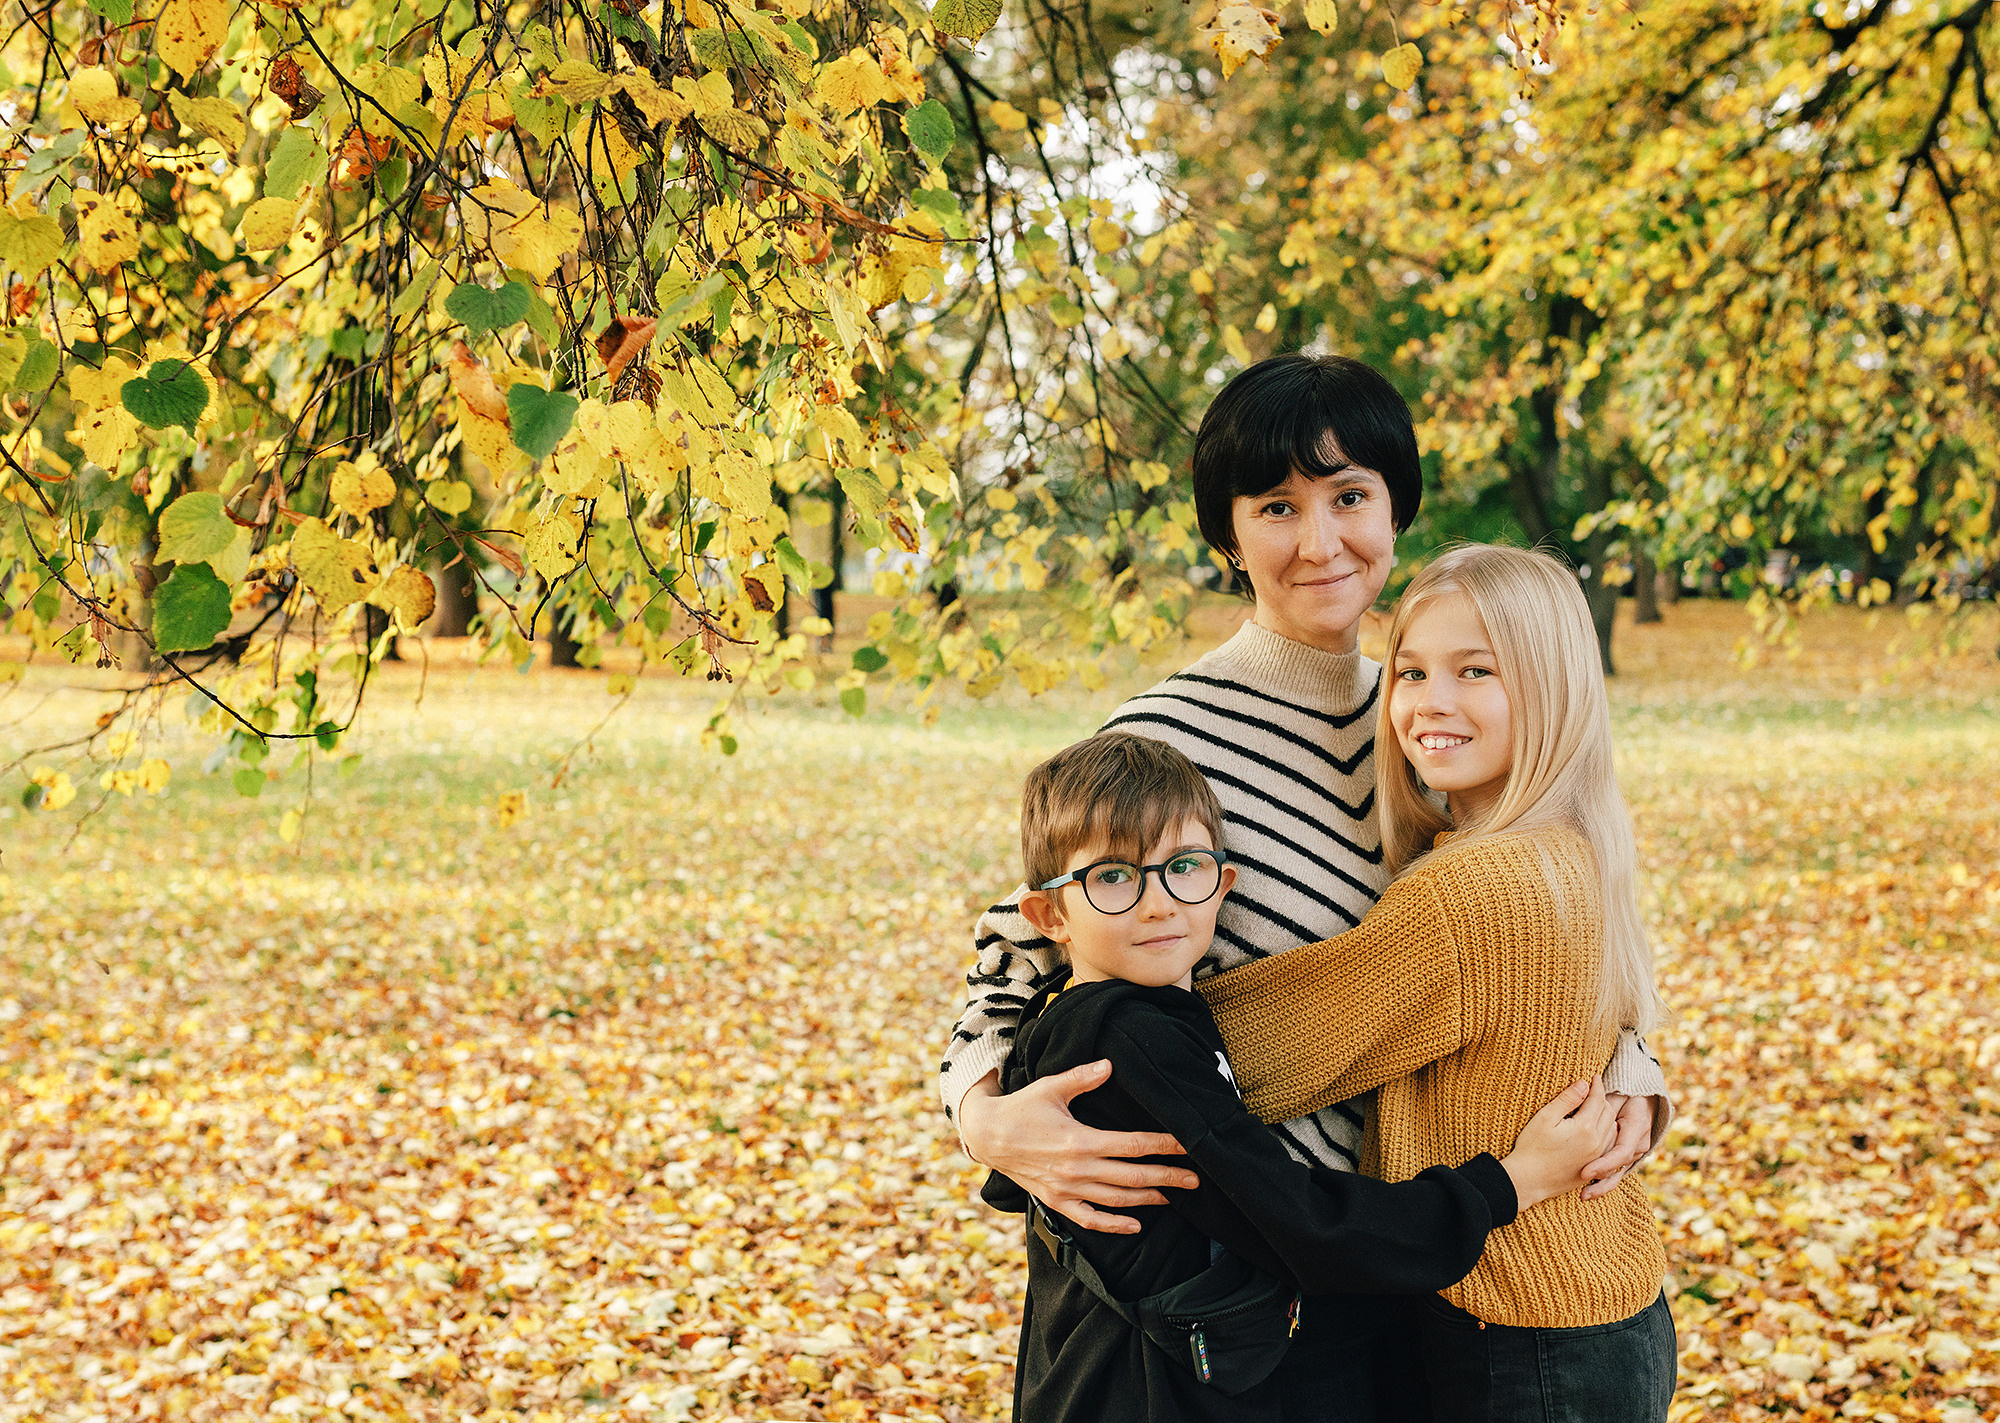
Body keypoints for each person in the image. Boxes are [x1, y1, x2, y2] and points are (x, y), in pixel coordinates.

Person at [938, 353, 1672, 1419]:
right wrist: (982, 1116)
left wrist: (1634, 1078)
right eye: (1275, 505)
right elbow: (1019, 947)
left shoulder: (1433, 713)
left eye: (1348, 497)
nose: (1319, 541)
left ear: (1392, 509)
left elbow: (1563, 920)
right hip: (1244, 1285)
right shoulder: (1164, 739)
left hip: (1419, 1269)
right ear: (1227, 534)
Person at [987, 730, 1623, 1423]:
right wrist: (1512, 1182)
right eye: (1113, 876)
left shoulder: (1087, 1021)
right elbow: (1300, 1220)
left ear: (1223, 883)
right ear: (1050, 915)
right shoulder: (1132, 1041)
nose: (1159, 902)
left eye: (1185, 866)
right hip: (1137, 1394)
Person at [1200, 545, 1679, 1419]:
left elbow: (1268, 1053)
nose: (1430, 703)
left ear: (1551, 689)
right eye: (1411, 671)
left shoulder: (1472, 892)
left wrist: (1099, 1002)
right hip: (1604, 1294)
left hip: (1521, 1331)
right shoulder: (1571, 843)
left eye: (1476, 671)